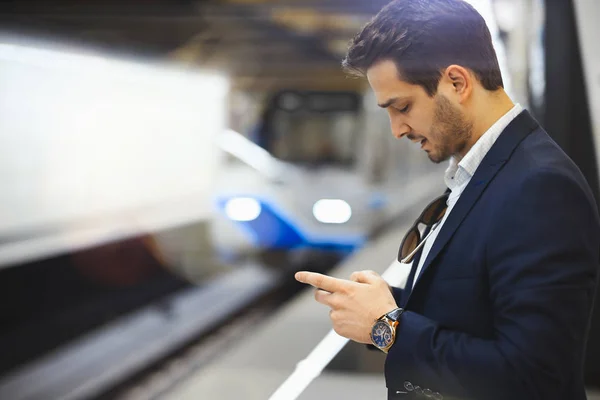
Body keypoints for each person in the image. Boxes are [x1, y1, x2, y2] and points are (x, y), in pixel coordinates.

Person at [294, 0, 600, 399]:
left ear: (456, 82)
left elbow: (533, 375)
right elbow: (478, 307)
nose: (397, 130)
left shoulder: (540, 186)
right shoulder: (485, 172)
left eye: (402, 107)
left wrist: (387, 326)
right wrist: (384, 303)